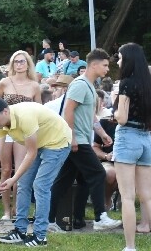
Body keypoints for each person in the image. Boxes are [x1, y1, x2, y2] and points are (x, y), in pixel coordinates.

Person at [103, 43, 151, 251]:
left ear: (129, 59)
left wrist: (113, 113)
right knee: (147, 195)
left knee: (128, 196)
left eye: (121, 58)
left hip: (128, 137)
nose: (119, 61)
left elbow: (121, 118)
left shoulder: (126, 83)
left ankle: (130, 247)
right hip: (146, 139)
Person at [0, 96, 71, 248]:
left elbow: (31, 153)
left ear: (5, 112)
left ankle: (40, 236)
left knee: (40, 185)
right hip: (41, 143)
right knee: (24, 183)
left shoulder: (24, 117)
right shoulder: (0, 126)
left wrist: (13, 178)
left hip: (58, 142)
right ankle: (20, 231)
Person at [50, 48, 121, 232]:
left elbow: (90, 115)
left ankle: (51, 219)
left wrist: (102, 134)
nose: (107, 69)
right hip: (78, 140)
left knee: (66, 181)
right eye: (105, 65)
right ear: (94, 65)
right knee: (98, 174)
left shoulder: (89, 86)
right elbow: (68, 111)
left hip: (80, 139)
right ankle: (100, 217)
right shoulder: (80, 84)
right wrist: (72, 137)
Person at [0, 49, 41, 221]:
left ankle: (17, 209)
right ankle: (6, 210)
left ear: (28, 64)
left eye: (22, 61)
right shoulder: (5, 82)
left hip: (24, 131)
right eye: (16, 61)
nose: (19, 64)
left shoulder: (35, 86)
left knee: (20, 171)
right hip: (6, 129)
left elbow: (39, 110)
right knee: (5, 169)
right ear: (12, 64)